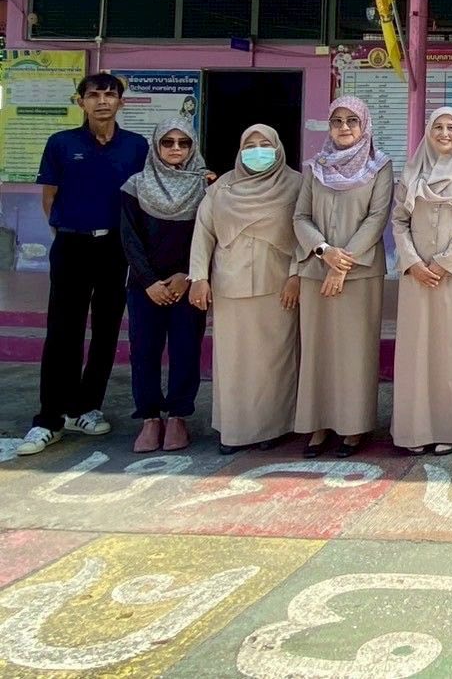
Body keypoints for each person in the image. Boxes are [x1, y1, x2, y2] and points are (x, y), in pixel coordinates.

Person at [18, 73, 149, 457]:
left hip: (116, 248)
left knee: (106, 330)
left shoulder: (136, 146)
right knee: (63, 331)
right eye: (94, 95)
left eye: (110, 95)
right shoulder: (62, 143)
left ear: (121, 102)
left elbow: (145, 194)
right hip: (72, 245)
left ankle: (85, 408)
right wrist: (67, 231)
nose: (102, 101)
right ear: (81, 102)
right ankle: (49, 419)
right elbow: (50, 197)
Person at [188, 124, 302, 453]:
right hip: (230, 285)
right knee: (233, 362)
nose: (257, 151)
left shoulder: (296, 185)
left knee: (274, 361)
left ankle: (273, 427)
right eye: (249, 146)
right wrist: (199, 277)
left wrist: (296, 275)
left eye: (264, 144)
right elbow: (203, 233)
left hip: (277, 285)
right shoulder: (221, 189)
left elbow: (304, 231)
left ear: (278, 148)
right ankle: (235, 431)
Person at [294, 95, 394, 458]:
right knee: (317, 350)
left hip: (360, 274)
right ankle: (318, 424)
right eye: (337, 121)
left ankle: (354, 427)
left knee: (355, 351)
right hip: (316, 270)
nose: (344, 127)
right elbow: (300, 217)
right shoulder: (315, 166)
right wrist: (325, 252)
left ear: (364, 125)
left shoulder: (380, 167)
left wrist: (342, 263)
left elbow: (377, 218)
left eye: (352, 121)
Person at [390, 107, 452, 456]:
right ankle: (415, 429)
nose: (444, 133)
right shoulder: (412, 170)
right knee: (416, 351)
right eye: (438, 127)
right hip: (416, 275)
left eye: (451, 128)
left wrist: (445, 263)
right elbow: (399, 220)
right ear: (428, 132)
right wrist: (413, 262)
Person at [119, 117, 210, 453]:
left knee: (186, 350)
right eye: (167, 142)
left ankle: (178, 417)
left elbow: (208, 237)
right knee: (144, 351)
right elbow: (129, 239)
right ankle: (149, 418)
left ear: (192, 147)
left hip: (188, 284)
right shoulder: (135, 186)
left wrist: (187, 275)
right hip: (145, 287)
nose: (175, 148)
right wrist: (150, 282)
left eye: (183, 143)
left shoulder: (206, 188)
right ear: (156, 146)